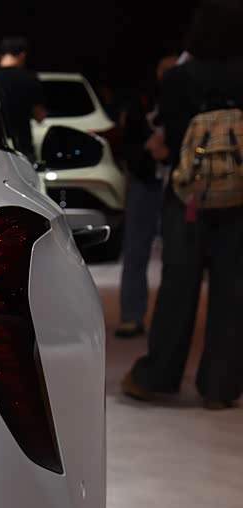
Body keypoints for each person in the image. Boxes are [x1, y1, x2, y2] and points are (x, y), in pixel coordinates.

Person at [123, 0, 243, 409]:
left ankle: (158, 376)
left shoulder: (178, 78)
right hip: (238, 200)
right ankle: (220, 387)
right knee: (232, 292)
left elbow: (170, 139)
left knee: (178, 288)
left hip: (188, 197)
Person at [116, 54, 179, 338]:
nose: (169, 75)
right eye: (165, 69)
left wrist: (168, 152)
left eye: (174, 69)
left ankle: (172, 322)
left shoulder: (186, 101)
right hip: (145, 182)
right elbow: (127, 142)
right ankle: (131, 316)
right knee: (135, 250)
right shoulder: (141, 102)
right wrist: (145, 153)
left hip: (178, 184)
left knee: (178, 256)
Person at [0, 37, 47, 161]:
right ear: (23, 55)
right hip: (21, 147)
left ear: (0, 55)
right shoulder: (29, 78)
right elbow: (39, 115)